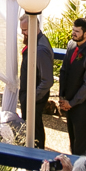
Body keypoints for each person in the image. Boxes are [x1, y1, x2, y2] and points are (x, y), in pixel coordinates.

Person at [55, 19, 86, 157]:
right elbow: (64, 70)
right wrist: (62, 96)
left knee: (80, 146)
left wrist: (72, 103)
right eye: (73, 30)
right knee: (72, 141)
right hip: (68, 101)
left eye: (77, 31)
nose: (73, 33)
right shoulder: (71, 45)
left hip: (82, 105)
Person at [16, 13, 54, 149]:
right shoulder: (35, 41)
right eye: (22, 30)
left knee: (35, 129)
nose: (23, 33)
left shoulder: (41, 49)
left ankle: (37, 153)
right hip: (30, 95)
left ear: (34, 27)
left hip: (34, 98)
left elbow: (47, 80)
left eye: (25, 30)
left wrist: (32, 98)